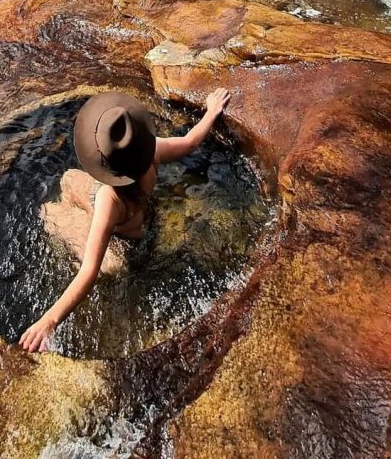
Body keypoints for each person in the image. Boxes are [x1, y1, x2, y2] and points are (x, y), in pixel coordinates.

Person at [18, 86, 232, 353]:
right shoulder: (152, 151)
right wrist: (212, 112)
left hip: (122, 231)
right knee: (68, 178)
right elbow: (189, 142)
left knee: (47, 212)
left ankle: (63, 212)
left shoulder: (109, 199)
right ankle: (73, 205)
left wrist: (49, 320)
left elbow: (89, 271)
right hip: (136, 213)